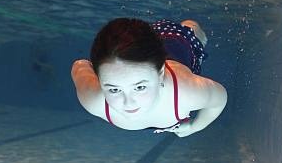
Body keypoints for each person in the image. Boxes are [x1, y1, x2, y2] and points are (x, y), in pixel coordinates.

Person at [71, 18, 227, 137]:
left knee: (192, 31)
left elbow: (220, 99)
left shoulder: (185, 93)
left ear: (161, 74)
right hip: (142, 47)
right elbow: (79, 65)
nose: (128, 103)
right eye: (114, 89)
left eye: (140, 87)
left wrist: (194, 127)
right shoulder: (94, 101)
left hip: (176, 42)